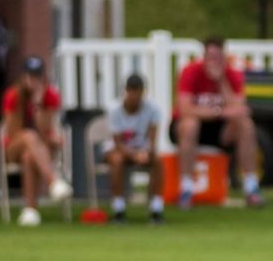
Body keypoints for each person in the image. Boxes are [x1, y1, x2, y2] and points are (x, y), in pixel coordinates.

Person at [171, 37, 263, 209]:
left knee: (245, 124)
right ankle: (186, 188)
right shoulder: (191, 71)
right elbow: (185, 109)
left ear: (224, 56)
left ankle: (251, 187)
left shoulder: (232, 75)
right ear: (203, 57)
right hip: (189, 130)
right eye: (210, 57)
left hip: (220, 130)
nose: (214, 62)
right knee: (190, 124)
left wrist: (221, 81)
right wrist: (218, 112)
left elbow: (239, 109)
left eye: (218, 57)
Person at [0, 55, 72, 227]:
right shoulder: (13, 96)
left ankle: (30, 211)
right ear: (23, 77)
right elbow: (13, 132)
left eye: (37, 76)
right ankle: (53, 181)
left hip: (39, 151)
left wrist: (38, 104)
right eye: (30, 76)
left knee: (29, 157)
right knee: (28, 137)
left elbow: (45, 132)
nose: (33, 81)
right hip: (13, 147)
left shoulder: (49, 96)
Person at [104, 73, 164, 225]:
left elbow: (152, 138)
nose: (135, 96)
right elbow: (117, 143)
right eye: (132, 91)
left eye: (138, 92)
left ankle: (156, 208)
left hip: (142, 151)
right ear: (126, 91)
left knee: (158, 160)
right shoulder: (114, 110)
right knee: (117, 160)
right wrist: (134, 155)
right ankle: (119, 208)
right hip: (118, 150)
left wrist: (146, 152)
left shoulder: (153, 109)